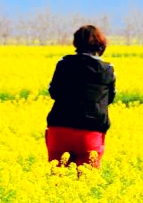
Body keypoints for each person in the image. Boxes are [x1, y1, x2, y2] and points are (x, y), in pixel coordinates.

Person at [46, 25, 116, 170]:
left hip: (60, 129)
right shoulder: (107, 69)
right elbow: (109, 98)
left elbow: (54, 92)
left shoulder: (63, 64)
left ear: (76, 42)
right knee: (86, 182)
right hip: (90, 132)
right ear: (100, 43)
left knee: (56, 182)